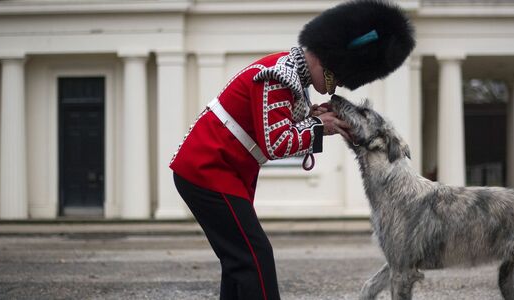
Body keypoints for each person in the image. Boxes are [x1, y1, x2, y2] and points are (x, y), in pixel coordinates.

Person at [168, 1, 415, 299]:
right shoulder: (279, 76)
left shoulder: (290, 75)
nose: (333, 88)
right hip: (208, 169)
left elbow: (273, 123)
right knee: (255, 257)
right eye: (335, 76)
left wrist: (313, 119)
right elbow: (275, 142)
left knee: (238, 261)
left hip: (222, 170)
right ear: (324, 58)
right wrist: (318, 127)